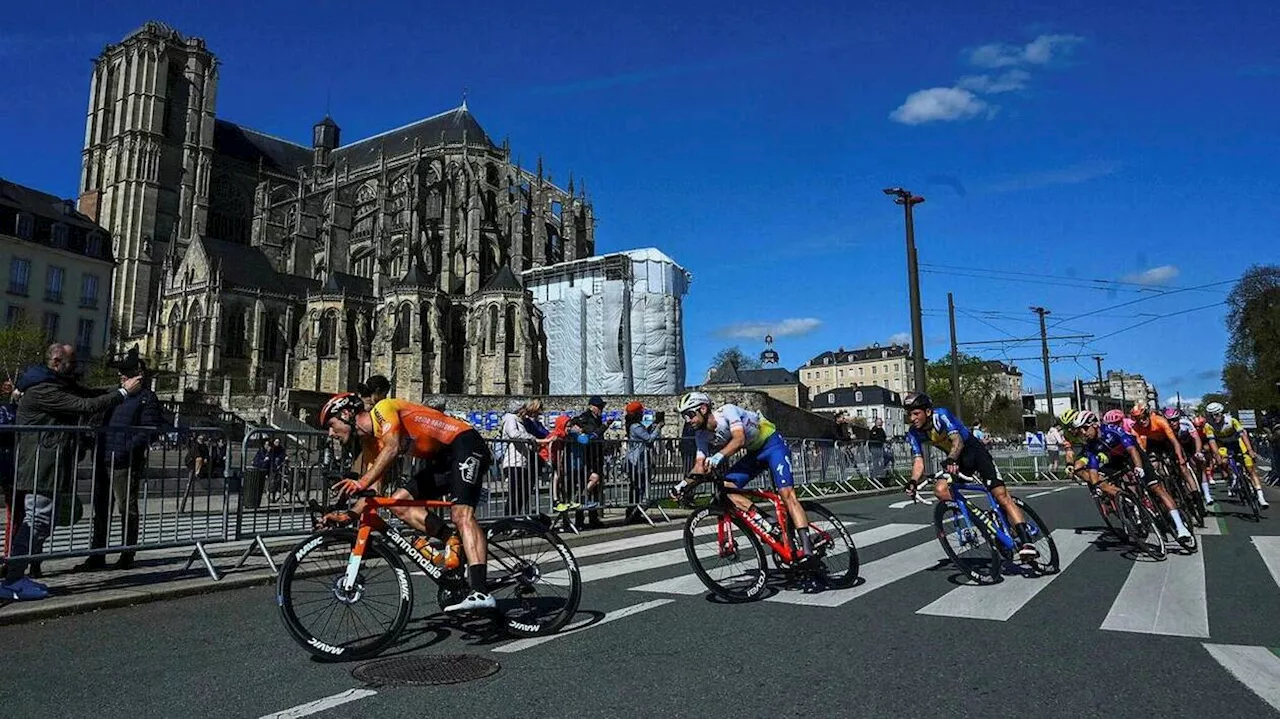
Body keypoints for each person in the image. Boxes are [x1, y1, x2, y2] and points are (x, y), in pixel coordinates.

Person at [321, 392, 496, 612]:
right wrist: (350, 515)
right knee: (396, 503)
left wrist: (360, 482)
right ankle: (451, 539)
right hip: (442, 460)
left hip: (465, 443)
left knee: (461, 514)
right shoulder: (371, 443)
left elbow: (392, 448)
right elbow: (374, 493)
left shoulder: (383, 409)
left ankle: (481, 590)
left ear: (346, 414)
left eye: (331, 424)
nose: (330, 433)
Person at [4, 344, 143, 600]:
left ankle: (15, 572)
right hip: (40, 464)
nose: (76, 366)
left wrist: (125, 387)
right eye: (72, 362)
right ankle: (12, 578)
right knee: (37, 520)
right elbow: (85, 405)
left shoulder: (50, 381)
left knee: (41, 520)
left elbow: (89, 393)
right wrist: (124, 392)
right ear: (57, 361)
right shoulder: (43, 389)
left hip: (48, 464)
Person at [669, 392, 820, 570]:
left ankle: (807, 547)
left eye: (690, 414)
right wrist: (682, 485)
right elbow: (699, 466)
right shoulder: (701, 436)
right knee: (727, 486)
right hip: (755, 454)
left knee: (786, 494)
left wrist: (719, 456)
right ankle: (766, 521)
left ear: (703, 409)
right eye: (684, 416)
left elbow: (739, 438)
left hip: (773, 445)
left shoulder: (727, 412)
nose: (687, 420)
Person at [902, 392, 1039, 559]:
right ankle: (982, 519)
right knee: (940, 490)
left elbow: (957, 440)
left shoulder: (941, 416)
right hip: (957, 461)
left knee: (1001, 495)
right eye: (909, 414)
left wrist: (951, 458)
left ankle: (1026, 541)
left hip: (974, 453)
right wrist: (913, 481)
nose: (912, 418)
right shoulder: (914, 433)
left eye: (916, 413)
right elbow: (918, 460)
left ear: (928, 412)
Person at [80, 349, 166, 571]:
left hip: (125, 461)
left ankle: (127, 554)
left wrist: (127, 449)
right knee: (101, 509)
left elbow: (149, 429)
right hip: (103, 455)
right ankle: (96, 554)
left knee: (126, 509)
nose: (121, 376)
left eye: (126, 373)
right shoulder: (116, 394)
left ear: (138, 374)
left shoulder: (147, 398)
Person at [1085, 409, 1194, 544]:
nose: (1084, 433)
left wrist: (1138, 466)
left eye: (1085, 429)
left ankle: (1181, 527)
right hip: (1116, 460)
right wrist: (1096, 485)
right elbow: (1093, 466)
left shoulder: (1112, 430)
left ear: (1094, 425)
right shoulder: (1090, 444)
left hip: (1134, 453)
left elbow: (1132, 449)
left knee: (1156, 487)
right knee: (1112, 480)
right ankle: (1133, 505)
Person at [1128, 403, 1204, 513]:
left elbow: (1174, 441)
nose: (1142, 422)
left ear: (1148, 415)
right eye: (1138, 420)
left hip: (1167, 441)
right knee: (1154, 465)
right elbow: (1141, 447)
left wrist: (1180, 457)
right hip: (1153, 444)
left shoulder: (1159, 421)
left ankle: (1196, 496)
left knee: (1182, 467)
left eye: (1143, 418)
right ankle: (1168, 487)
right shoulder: (1135, 428)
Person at [1202, 401, 1268, 508]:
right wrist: (1217, 456)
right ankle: (1232, 477)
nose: (1215, 417)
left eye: (1217, 414)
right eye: (1212, 415)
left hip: (1237, 442)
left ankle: (1261, 497)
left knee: (1250, 468)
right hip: (1223, 445)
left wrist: (1250, 450)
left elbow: (1243, 435)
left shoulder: (1232, 420)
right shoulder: (1209, 426)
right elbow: (1212, 442)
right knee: (1223, 462)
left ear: (1222, 413)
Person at [500, 399, 552, 516]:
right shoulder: (510, 418)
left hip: (522, 461)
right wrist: (531, 438)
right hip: (514, 461)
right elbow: (513, 434)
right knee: (515, 493)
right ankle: (509, 521)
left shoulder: (520, 421)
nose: (525, 412)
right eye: (523, 409)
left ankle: (516, 518)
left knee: (522, 493)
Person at [566, 395, 607, 528]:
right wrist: (605, 426)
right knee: (584, 487)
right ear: (592, 406)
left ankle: (593, 517)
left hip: (596, 458)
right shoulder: (585, 418)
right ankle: (579, 519)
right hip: (587, 458)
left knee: (596, 488)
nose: (601, 409)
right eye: (599, 407)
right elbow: (592, 434)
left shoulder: (597, 418)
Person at [624, 401, 662, 523]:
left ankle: (634, 511)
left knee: (636, 486)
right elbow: (649, 439)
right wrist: (658, 429)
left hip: (637, 459)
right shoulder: (635, 426)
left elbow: (645, 433)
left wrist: (652, 425)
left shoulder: (634, 425)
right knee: (637, 487)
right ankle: (633, 512)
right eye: (641, 412)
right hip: (637, 460)